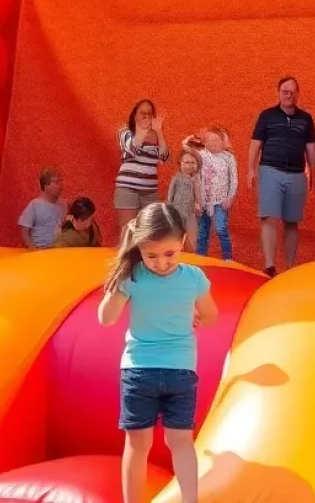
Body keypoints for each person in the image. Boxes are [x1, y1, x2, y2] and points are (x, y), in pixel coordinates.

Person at [97, 203, 218, 503]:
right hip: (176, 371)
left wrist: (117, 284)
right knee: (180, 443)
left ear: (182, 243)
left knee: (140, 446)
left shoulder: (134, 276)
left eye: (169, 254)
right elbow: (212, 315)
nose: (162, 263)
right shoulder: (193, 277)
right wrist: (197, 313)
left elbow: (106, 317)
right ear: (138, 247)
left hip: (141, 371)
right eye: (151, 255)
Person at [247, 77, 315, 277]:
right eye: (285, 91)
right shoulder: (267, 116)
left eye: (293, 91)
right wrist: (250, 170)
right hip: (270, 170)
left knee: (292, 221)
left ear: (298, 93)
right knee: (268, 217)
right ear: (278, 92)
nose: (289, 95)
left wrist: (314, 174)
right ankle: (269, 266)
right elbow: (255, 144)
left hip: (296, 174)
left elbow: (311, 148)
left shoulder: (306, 119)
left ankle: (289, 267)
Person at [115, 100, 170, 229]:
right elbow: (132, 149)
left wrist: (159, 132)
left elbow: (164, 157)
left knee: (149, 233)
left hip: (150, 192)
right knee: (128, 233)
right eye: (142, 113)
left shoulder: (155, 135)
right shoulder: (125, 132)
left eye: (149, 114)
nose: (146, 117)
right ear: (135, 116)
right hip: (128, 189)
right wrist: (142, 130)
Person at [187, 126, 237, 262]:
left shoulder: (228, 158)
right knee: (203, 230)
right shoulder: (202, 155)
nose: (213, 143)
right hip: (204, 200)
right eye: (209, 140)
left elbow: (234, 179)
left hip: (221, 200)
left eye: (217, 140)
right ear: (205, 142)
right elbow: (185, 146)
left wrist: (230, 197)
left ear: (222, 142)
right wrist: (193, 137)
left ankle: (228, 258)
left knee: (221, 228)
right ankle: (200, 258)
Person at [18, 168, 66, 249]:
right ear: (45, 186)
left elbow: (65, 227)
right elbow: (23, 231)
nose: (61, 184)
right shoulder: (34, 205)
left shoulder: (63, 205)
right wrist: (32, 248)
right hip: (39, 250)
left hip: (58, 251)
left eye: (61, 181)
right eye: (56, 182)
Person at [167, 150, 202, 250]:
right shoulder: (176, 178)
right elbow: (170, 196)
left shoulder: (195, 180)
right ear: (180, 163)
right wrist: (169, 212)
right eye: (187, 162)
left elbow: (198, 197)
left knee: (193, 237)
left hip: (190, 213)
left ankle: (193, 256)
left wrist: (197, 184)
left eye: (193, 163)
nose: (189, 165)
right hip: (176, 213)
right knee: (176, 238)